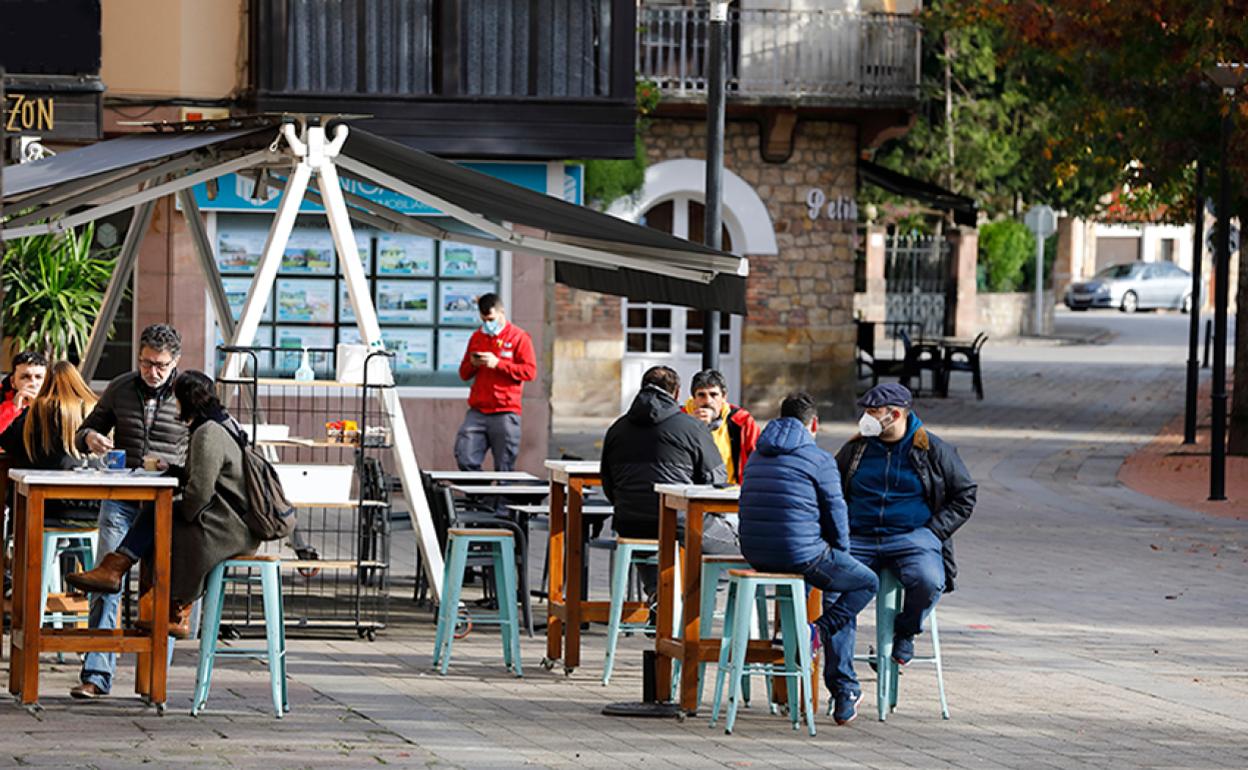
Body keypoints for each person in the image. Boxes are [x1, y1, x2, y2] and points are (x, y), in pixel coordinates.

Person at [67, 370, 261, 639]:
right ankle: (124, 575)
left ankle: (173, 608)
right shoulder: (220, 423)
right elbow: (207, 476)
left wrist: (180, 502)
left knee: (165, 516)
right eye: (145, 362)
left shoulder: (207, 433)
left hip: (228, 527)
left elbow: (198, 496)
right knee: (162, 514)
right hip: (232, 521)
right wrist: (175, 470)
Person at [828, 383, 976, 718]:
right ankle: (843, 687)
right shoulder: (857, 450)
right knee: (833, 595)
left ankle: (905, 631)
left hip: (912, 536)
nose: (865, 418)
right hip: (859, 537)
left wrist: (933, 533)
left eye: (872, 412)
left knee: (928, 579)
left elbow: (965, 495)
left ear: (894, 414)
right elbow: (830, 487)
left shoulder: (931, 448)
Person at [737, 392, 880, 725]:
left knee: (818, 588)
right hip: (800, 556)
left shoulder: (758, 454)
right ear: (813, 424)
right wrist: (841, 555)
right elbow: (836, 512)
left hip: (758, 556)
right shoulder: (818, 459)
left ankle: (800, 678)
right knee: (860, 582)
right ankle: (822, 647)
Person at [68, 323, 189, 700]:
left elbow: (206, 440)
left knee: (161, 588)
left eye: (160, 365)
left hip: (167, 500)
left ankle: (155, 679)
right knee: (106, 579)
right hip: (121, 496)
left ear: (176, 363)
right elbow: (85, 430)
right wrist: (90, 438)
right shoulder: (121, 386)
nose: (152, 371)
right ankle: (96, 676)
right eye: (145, 362)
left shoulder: (190, 393)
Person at [600, 365, 738, 598]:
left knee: (644, 533)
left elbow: (608, 484)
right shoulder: (692, 427)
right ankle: (699, 601)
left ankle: (659, 597)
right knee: (745, 548)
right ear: (677, 394)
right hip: (682, 522)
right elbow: (716, 479)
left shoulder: (617, 428)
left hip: (629, 521)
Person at [454, 293, 536, 473]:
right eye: (483, 320)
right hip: (479, 410)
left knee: (504, 466)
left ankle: (500, 500)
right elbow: (464, 373)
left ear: (501, 312)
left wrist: (498, 364)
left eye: (490, 319)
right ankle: (479, 497)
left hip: (505, 411)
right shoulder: (477, 337)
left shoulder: (519, 337)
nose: (487, 324)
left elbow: (529, 372)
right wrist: (473, 364)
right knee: (464, 454)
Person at [683, 369, 760, 485]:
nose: (708, 401)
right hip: (690, 492)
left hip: (731, 492)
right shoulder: (680, 419)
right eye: (701, 395)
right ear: (693, 398)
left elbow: (758, 460)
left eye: (714, 395)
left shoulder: (742, 421)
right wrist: (691, 426)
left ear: (724, 397)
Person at [0, 350, 49, 434]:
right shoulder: (2, 397)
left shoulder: (57, 404)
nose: (33, 383)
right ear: (13, 382)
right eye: (25, 377)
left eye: (38, 377)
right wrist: (12, 408)